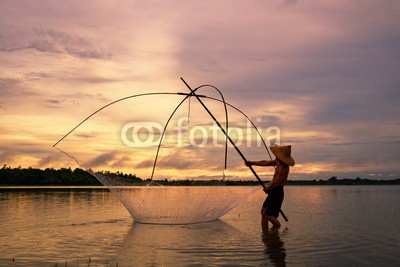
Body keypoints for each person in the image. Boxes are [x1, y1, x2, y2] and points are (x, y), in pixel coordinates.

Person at [245, 145, 295, 228]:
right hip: (273, 191)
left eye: (278, 155)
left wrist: (269, 187)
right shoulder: (278, 162)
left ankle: (276, 232)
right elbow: (265, 163)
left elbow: (278, 181)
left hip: (277, 192)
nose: (276, 156)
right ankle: (265, 235)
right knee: (263, 212)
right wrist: (252, 163)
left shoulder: (284, 167)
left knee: (269, 215)